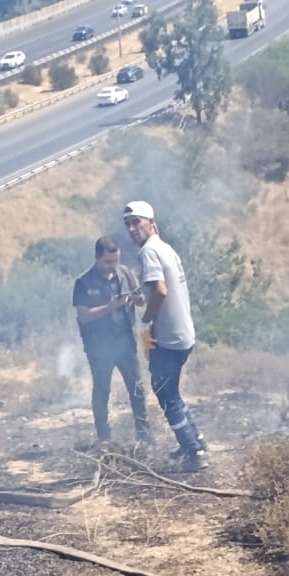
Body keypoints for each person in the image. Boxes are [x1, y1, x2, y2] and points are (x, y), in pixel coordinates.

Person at [122, 200, 208, 472]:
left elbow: (160, 291)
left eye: (136, 221)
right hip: (184, 334)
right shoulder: (165, 248)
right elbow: (159, 289)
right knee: (171, 391)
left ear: (151, 221)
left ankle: (194, 454)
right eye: (128, 224)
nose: (132, 228)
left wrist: (146, 321)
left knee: (165, 394)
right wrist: (139, 297)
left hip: (168, 339)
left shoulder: (148, 252)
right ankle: (195, 441)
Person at [72, 235, 151, 449]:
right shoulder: (83, 282)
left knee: (137, 389)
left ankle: (144, 436)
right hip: (99, 347)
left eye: (115, 261)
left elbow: (142, 299)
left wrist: (137, 298)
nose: (112, 267)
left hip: (126, 343)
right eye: (108, 262)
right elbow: (84, 315)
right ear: (97, 258)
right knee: (102, 390)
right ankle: (104, 438)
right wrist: (110, 307)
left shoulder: (125, 274)